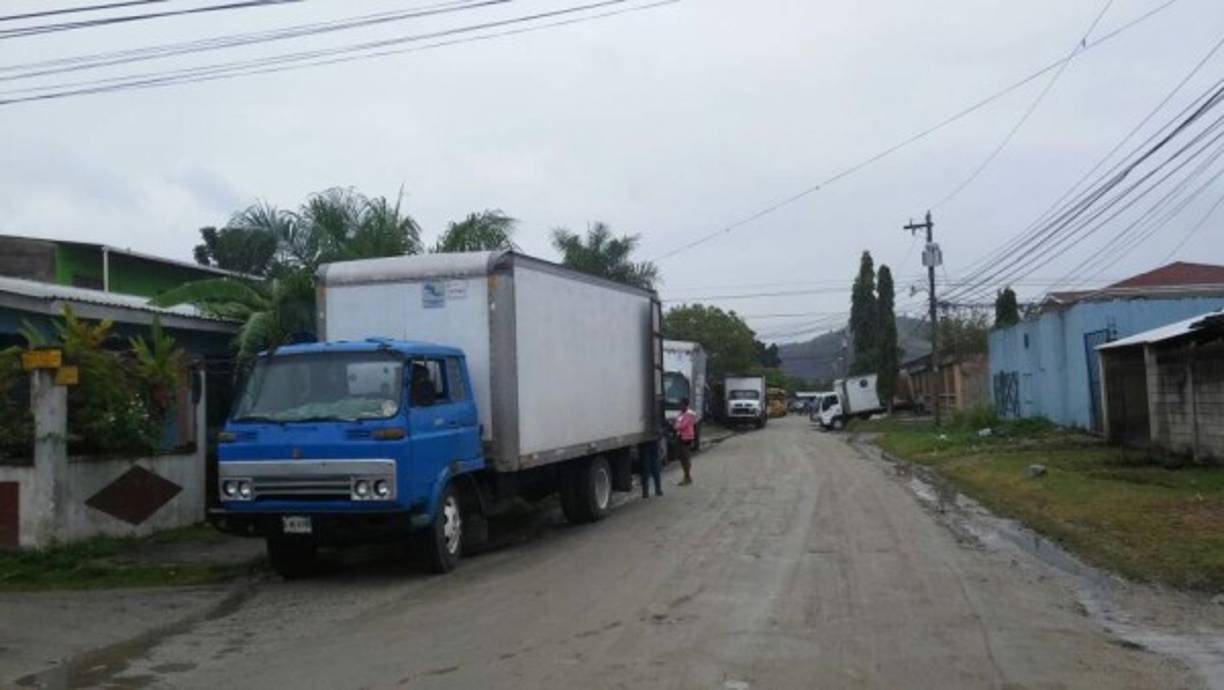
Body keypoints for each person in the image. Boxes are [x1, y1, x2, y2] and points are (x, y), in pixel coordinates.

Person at [673, 397, 696, 486]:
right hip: (680, 437)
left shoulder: (689, 414)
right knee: (682, 458)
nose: (679, 405)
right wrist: (676, 425)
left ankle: (687, 477)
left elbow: (682, 425)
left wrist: (676, 426)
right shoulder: (681, 414)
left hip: (686, 438)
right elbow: (677, 424)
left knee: (685, 457)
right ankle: (687, 477)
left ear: (685, 405)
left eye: (681, 404)